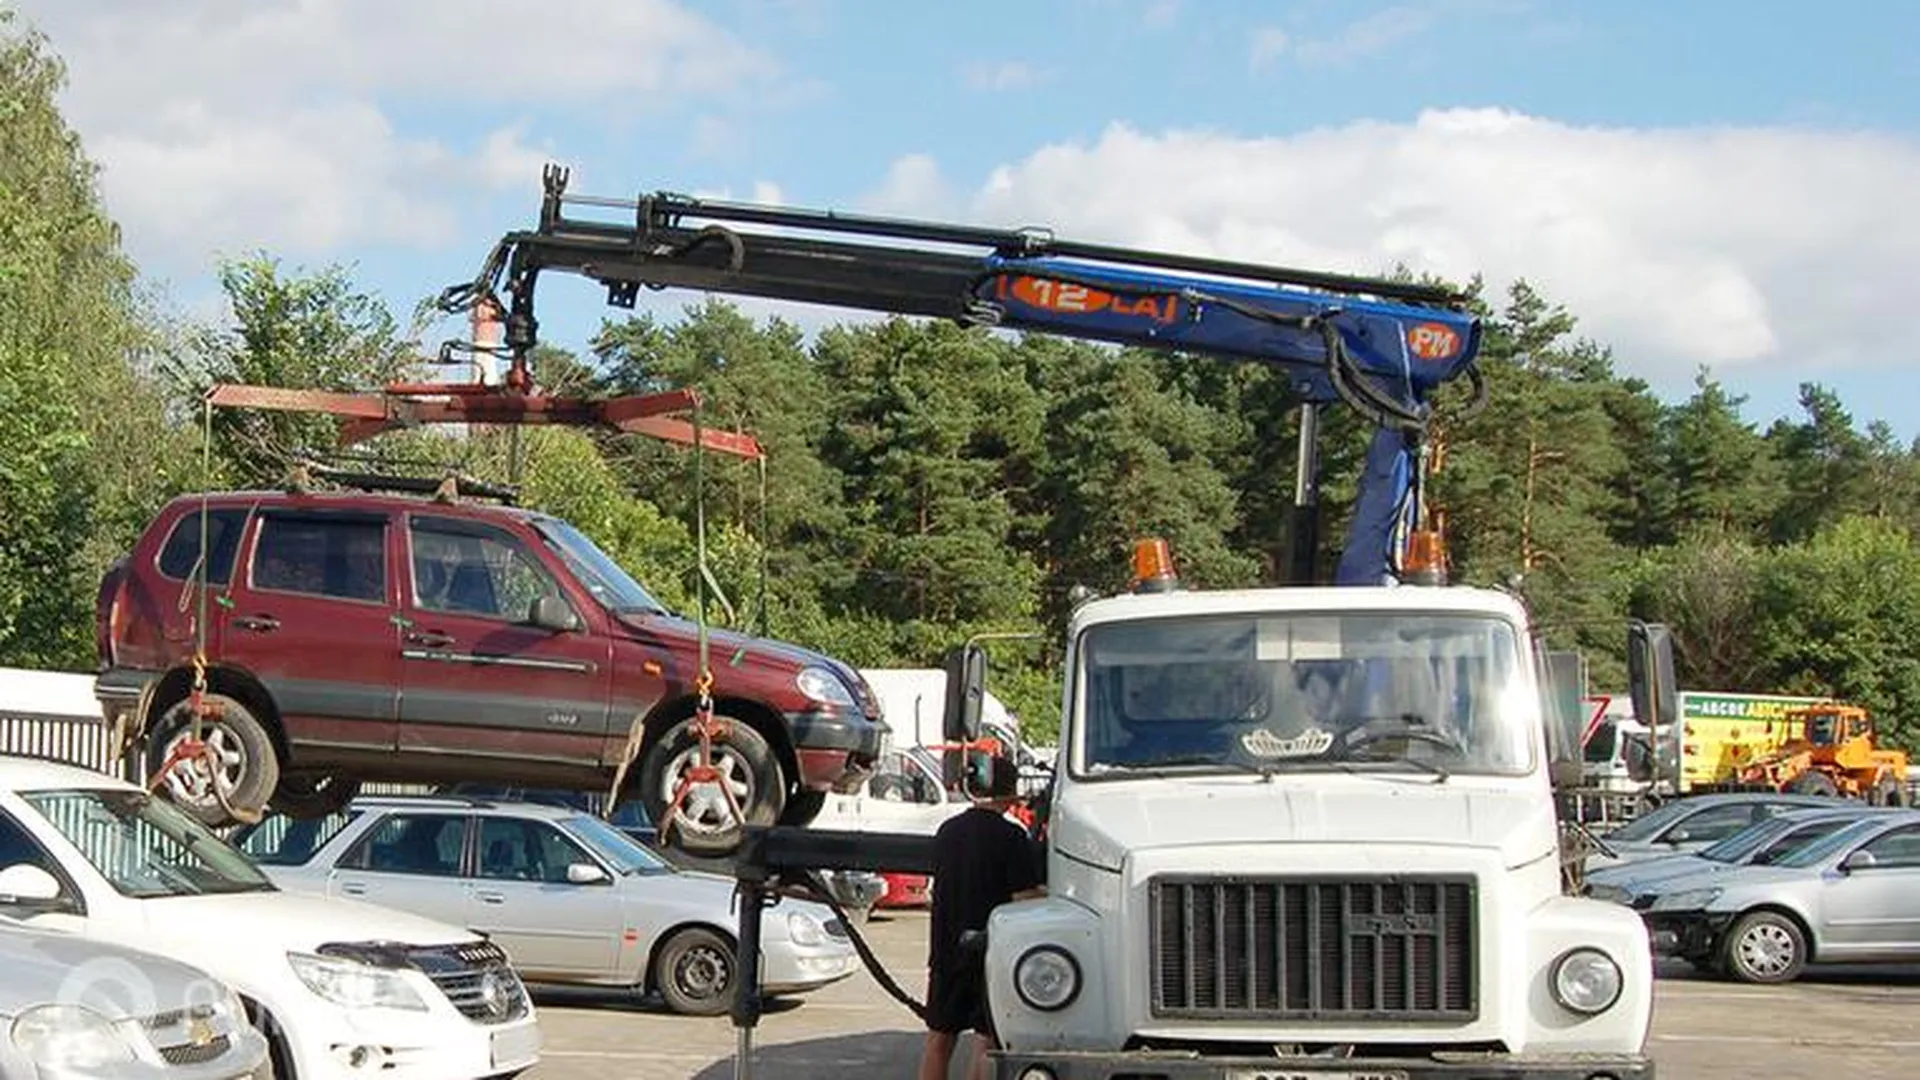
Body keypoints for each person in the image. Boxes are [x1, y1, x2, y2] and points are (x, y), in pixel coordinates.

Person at [918, 751, 1046, 1080]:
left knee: (938, 1041)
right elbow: (1024, 897)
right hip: (991, 953)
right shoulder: (1011, 837)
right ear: (1008, 793)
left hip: (946, 949)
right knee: (985, 1043)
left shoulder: (947, 831)